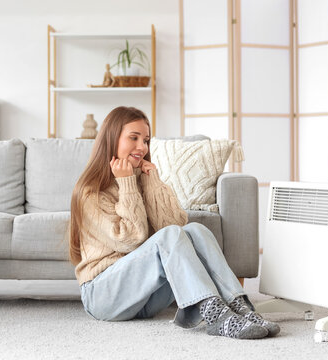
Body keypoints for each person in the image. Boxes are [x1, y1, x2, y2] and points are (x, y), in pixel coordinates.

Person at [69, 106, 279, 339]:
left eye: (146, 140)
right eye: (134, 138)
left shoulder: (143, 178)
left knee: (195, 230)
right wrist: (127, 183)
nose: (142, 147)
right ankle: (215, 315)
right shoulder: (90, 192)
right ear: (111, 139)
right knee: (171, 236)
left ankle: (239, 306)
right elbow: (130, 240)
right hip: (103, 296)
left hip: (144, 299)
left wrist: (151, 183)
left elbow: (174, 226)